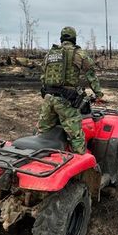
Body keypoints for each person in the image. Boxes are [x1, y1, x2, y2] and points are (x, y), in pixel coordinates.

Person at [36, 26, 104, 154]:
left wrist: (47, 93)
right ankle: (82, 170)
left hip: (48, 99)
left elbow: (43, 75)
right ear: (74, 39)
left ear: (61, 38)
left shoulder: (50, 54)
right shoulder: (79, 54)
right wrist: (98, 94)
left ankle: (41, 160)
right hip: (66, 101)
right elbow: (91, 75)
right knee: (76, 137)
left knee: (43, 133)